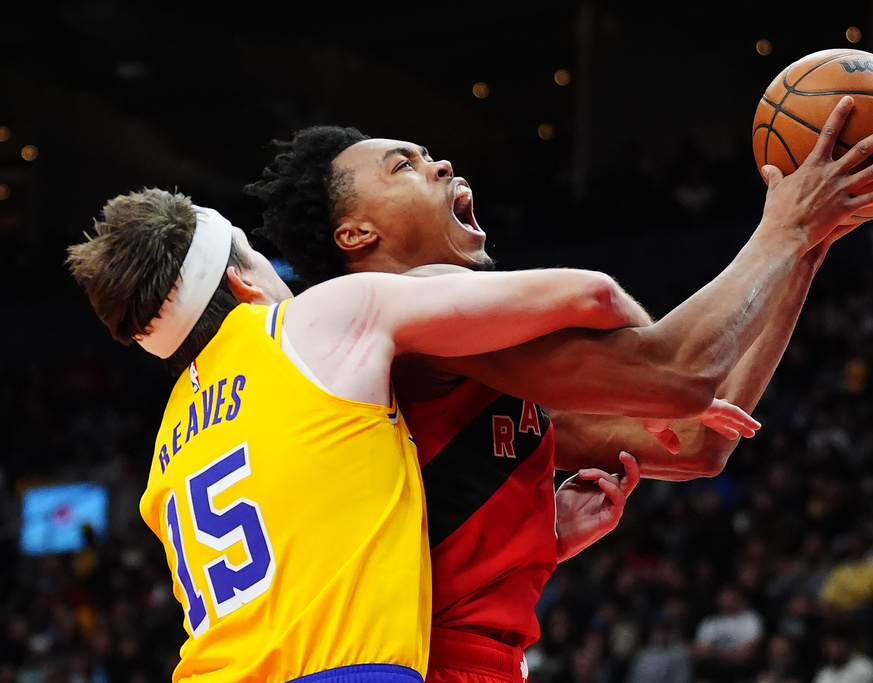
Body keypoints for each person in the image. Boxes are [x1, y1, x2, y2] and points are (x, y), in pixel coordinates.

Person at [245, 97, 873, 682]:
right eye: (404, 166)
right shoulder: (407, 323)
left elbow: (697, 438)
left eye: (430, 155)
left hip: (471, 657)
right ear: (358, 233)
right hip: (429, 660)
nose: (440, 165)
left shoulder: (475, 354)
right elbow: (679, 375)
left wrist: (807, 247)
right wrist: (784, 230)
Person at [65, 189, 653, 682]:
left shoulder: (167, 454)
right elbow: (590, 295)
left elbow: (326, 541)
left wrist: (532, 535)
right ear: (243, 282)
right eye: (256, 252)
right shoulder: (313, 322)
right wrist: (668, 380)